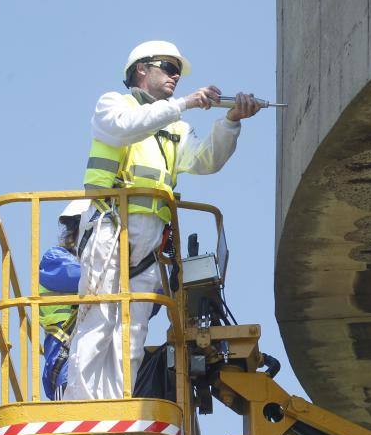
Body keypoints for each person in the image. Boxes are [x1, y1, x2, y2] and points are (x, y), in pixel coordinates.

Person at [63, 40, 261, 400]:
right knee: (99, 322)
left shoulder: (175, 126)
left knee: (132, 332)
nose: (175, 76)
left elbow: (205, 160)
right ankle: (82, 405)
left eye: (178, 72)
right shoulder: (113, 105)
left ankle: (119, 406)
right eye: (168, 68)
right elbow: (125, 127)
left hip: (151, 243)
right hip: (111, 228)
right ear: (142, 69)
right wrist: (184, 103)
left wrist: (230, 121)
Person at [39, 199, 90, 400]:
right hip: (65, 362)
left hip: (95, 362)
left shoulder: (107, 267)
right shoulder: (55, 259)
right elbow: (83, 277)